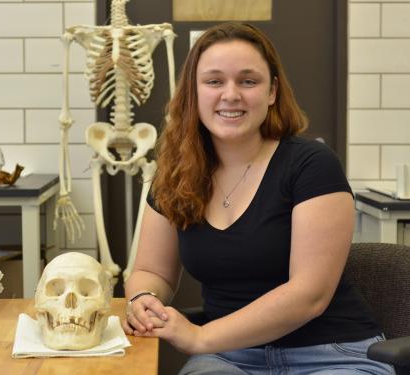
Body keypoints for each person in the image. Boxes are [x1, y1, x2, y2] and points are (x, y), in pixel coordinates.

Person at [123, 22, 394, 374]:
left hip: (332, 354)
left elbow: (308, 295)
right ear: (193, 91)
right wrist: (144, 298)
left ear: (272, 92)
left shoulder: (311, 164)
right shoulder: (175, 173)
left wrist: (200, 338)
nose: (231, 94)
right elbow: (149, 270)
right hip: (228, 357)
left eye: (248, 81)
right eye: (214, 81)